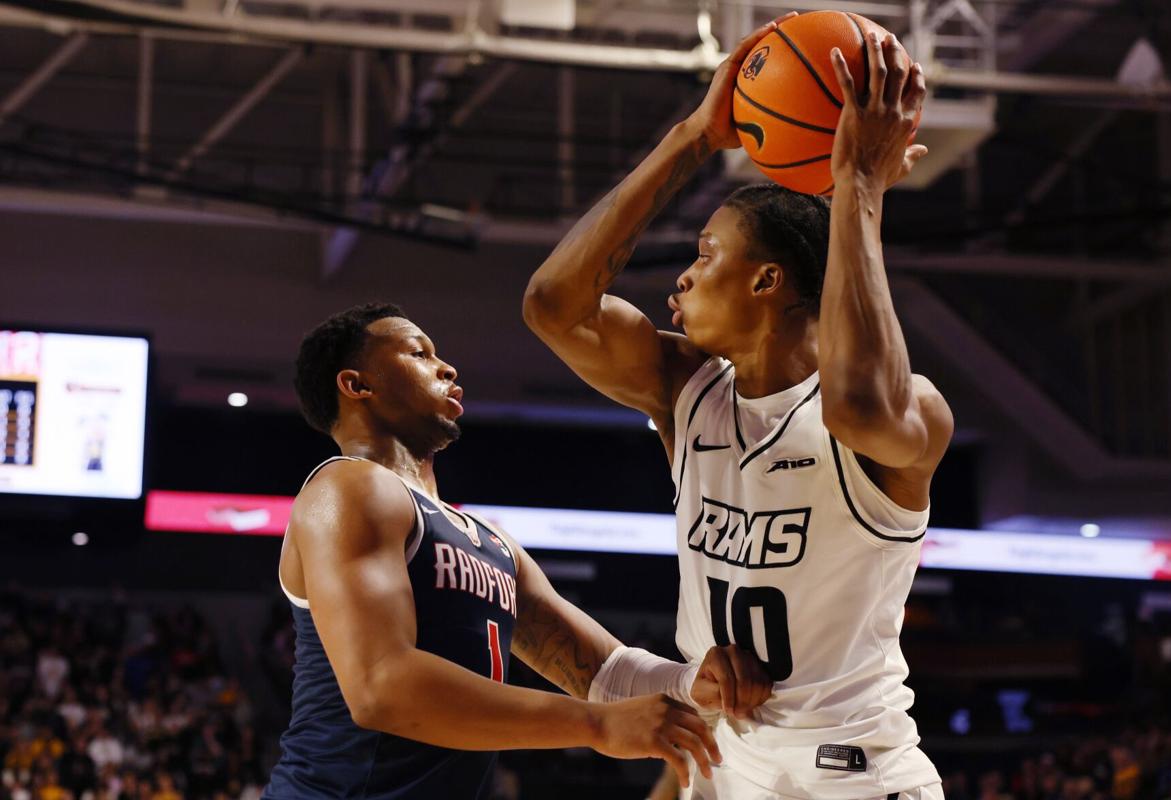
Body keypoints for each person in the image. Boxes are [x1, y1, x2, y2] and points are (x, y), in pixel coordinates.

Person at [523, 14, 952, 800]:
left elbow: (856, 404)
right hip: (730, 767)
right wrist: (694, 135)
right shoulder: (687, 394)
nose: (679, 280)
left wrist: (857, 181)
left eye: (706, 255)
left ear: (767, 283)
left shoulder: (904, 408)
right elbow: (556, 307)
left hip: (857, 777)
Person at [262, 304, 773, 799]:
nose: (446, 366)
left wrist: (691, 683)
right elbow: (381, 687)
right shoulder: (348, 486)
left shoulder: (489, 538)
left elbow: (603, 672)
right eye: (418, 353)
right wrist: (595, 726)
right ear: (356, 385)